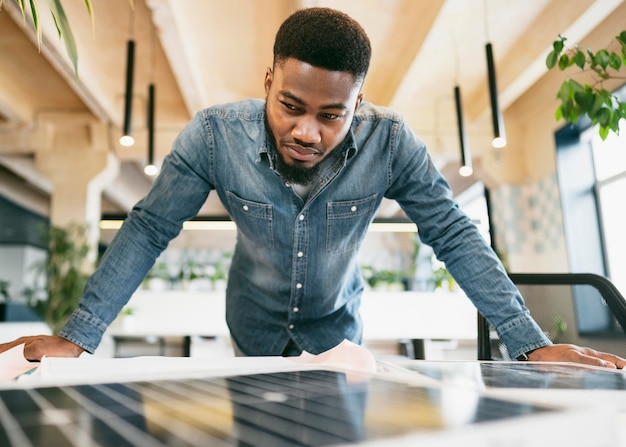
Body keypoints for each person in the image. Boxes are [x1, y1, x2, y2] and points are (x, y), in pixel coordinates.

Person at [1, 7, 624, 368]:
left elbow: (455, 234)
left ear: (358, 101)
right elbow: (148, 228)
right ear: (267, 77)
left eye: (333, 115)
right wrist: (78, 335)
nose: (307, 132)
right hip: (251, 321)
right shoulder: (214, 136)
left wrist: (530, 345)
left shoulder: (392, 142)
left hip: (339, 326)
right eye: (291, 105)